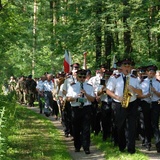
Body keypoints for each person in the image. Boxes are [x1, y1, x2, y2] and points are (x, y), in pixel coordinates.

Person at [106, 58, 142, 154]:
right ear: (121, 67)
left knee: (132, 127)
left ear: (131, 67)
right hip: (119, 104)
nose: (127, 67)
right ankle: (121, 146)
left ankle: (131, 149)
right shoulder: (114, 77)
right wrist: (117, 97)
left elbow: (140, 92)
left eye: (129, 66)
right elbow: (108, 90)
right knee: (120, 126)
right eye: (125, 65)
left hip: (132, 103)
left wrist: (133, 89)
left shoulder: (135, 78)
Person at [66, 69, 95, 154]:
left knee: (86, 129)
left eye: (84, 77)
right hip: (76, 109)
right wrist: (75, 97)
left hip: (86, 109)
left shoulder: (89, 86)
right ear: (77, 77)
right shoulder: (72, 86)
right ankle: (77, 146)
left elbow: (92, 99)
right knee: (76, 129)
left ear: (86, 77)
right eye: (80, 77)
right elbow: (68, 98)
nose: (82, 78)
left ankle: (86, 147)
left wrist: (86, 94)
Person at [138, 65, 160, 153]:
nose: (151, 74)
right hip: (145, 103)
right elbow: (138, 95)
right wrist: (145, 96)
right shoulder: (142, 83)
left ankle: (158, 144)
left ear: (155, 74)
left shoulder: (158, 83)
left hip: (155, 104)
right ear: (147, 73)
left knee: (155, 124)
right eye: (150, 73)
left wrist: (155, 91)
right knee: (146, 124)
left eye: (153, 73)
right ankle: (148, 143)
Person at [62, 63, 80, 137]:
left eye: (77, 68)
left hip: (78, 101)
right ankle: (67, 130)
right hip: (69, 100)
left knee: (75, 118)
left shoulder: (81, 79)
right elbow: (64, 90)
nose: (76, 69)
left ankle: (74, 133)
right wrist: (69, 96)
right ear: (72, 70)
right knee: (68, 117)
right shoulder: (68, 80)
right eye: (74, 68)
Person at [97, 69, 113, 141]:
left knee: (112, 120)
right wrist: (103, 88)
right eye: (106, 75)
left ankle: (112, 135)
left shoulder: (114, 82)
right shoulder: (102, 82)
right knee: (104, 120)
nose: (107, 77)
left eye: (109, 75)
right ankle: (105, 135)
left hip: (113, 102)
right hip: (105, 102)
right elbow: (98, 93)